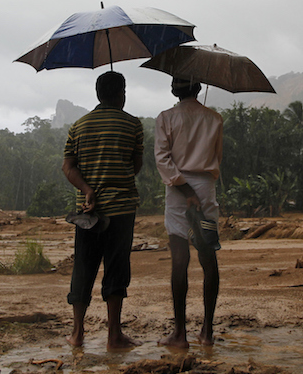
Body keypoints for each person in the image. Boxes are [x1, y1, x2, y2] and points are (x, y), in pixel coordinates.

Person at [62, 71, 144, 349]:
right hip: (121, 210)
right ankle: (114, 336)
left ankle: (77, 334)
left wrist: (87, 189)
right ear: (122, 93)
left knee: (83, 269)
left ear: (98, 95)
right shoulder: (133, 125)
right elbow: (135, 166)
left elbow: (68, 167)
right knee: (117, 270)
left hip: (87, 213)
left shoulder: (78, 126)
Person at [154, 77, 223, 348]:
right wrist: (197, 189)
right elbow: (217, 157)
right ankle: (207, 331)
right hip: (205, 189)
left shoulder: (166, 117)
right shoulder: (214, 119)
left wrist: (184, 189)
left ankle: (179, 334)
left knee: (179, 258)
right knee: (208, 255)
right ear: (197, 89)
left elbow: (163, 159)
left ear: (174, 90)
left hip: (177, 190)